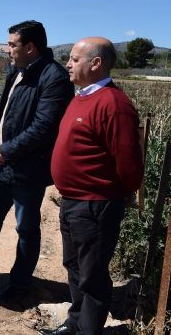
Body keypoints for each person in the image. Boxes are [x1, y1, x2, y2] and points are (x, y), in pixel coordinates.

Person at [0, 20, 74, 303]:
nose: (7, 50)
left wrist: (6, 150)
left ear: (30, 48)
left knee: (26, 229)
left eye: (11, 45)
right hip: (3, 165)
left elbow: (44, 127)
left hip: (29, 169)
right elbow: (2, 109)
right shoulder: (17, 71)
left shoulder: (54, 78)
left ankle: (20, 286)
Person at [40, 37, 144, 335]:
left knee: (93, 276)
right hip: (73, 201)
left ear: (96, 63)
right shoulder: (81, 97)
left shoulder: (114, 104)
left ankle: (89, 330)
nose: (68, 64)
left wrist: (118, 194)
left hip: (95, 204)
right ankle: (75, 323)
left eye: (74, 59)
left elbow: (129, 163)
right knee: (74, 267)